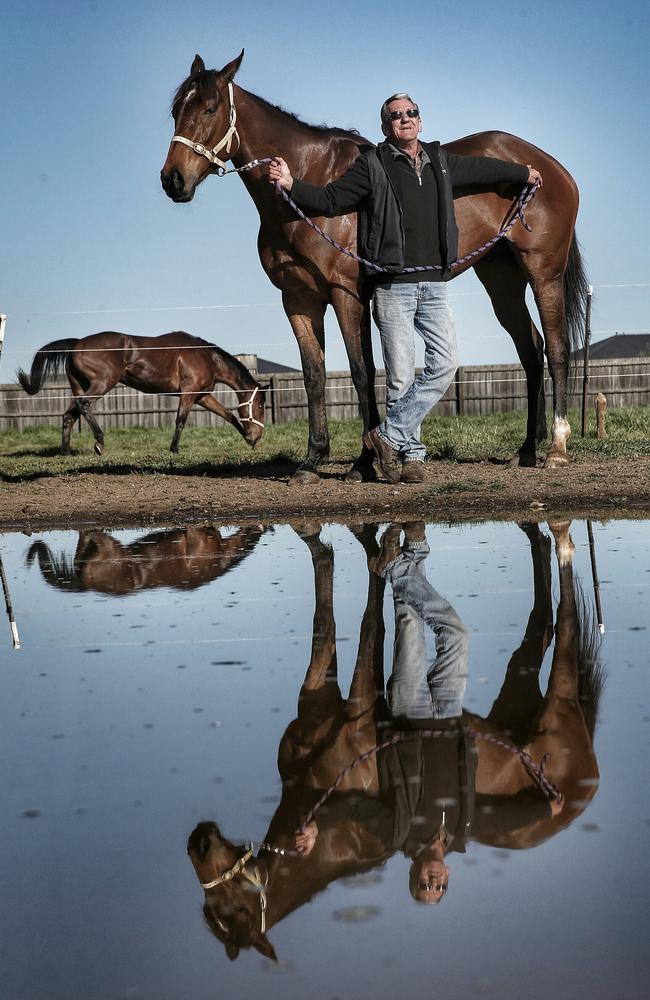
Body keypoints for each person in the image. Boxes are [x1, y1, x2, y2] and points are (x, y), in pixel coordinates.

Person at [269, 95, 543, 484]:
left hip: (434, 284)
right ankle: (410, 458)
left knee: (446, 364)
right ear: (385, 128)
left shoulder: (440, 161)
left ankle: (385, 437)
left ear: (421, 121)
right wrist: (291, 184)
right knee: (399, 379)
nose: (405, 119)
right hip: (392, 287)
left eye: (411, 113)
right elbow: (330, 199)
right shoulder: (373, 164)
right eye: (396, 116)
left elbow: (483, 168)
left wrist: (521, 174)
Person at [293, 523, 563, 903]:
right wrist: (544, 810)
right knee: (457, 635)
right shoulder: (464, 827)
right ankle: (407, 560)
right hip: (451, 713)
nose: (433, 880)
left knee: (409, 624)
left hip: (409, 711)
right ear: (448, 875)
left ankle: (406, 559)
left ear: (414, 874)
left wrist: (318, 825)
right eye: (440, 887)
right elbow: (505, 817)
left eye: (424, 885)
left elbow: (354, 807)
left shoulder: (397, 833)